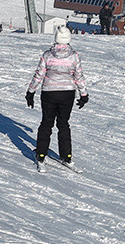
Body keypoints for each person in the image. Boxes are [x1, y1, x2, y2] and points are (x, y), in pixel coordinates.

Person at [26, 26, 89, 164]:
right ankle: (66, 156)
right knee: (63, 123)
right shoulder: (74, 56)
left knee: (47, 122)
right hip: (67, 94)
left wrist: (31, 92)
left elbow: (39, 75)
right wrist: (83, 94)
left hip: (49, 93)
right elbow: (78, 76)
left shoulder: (47, 55)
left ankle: (41, 153)